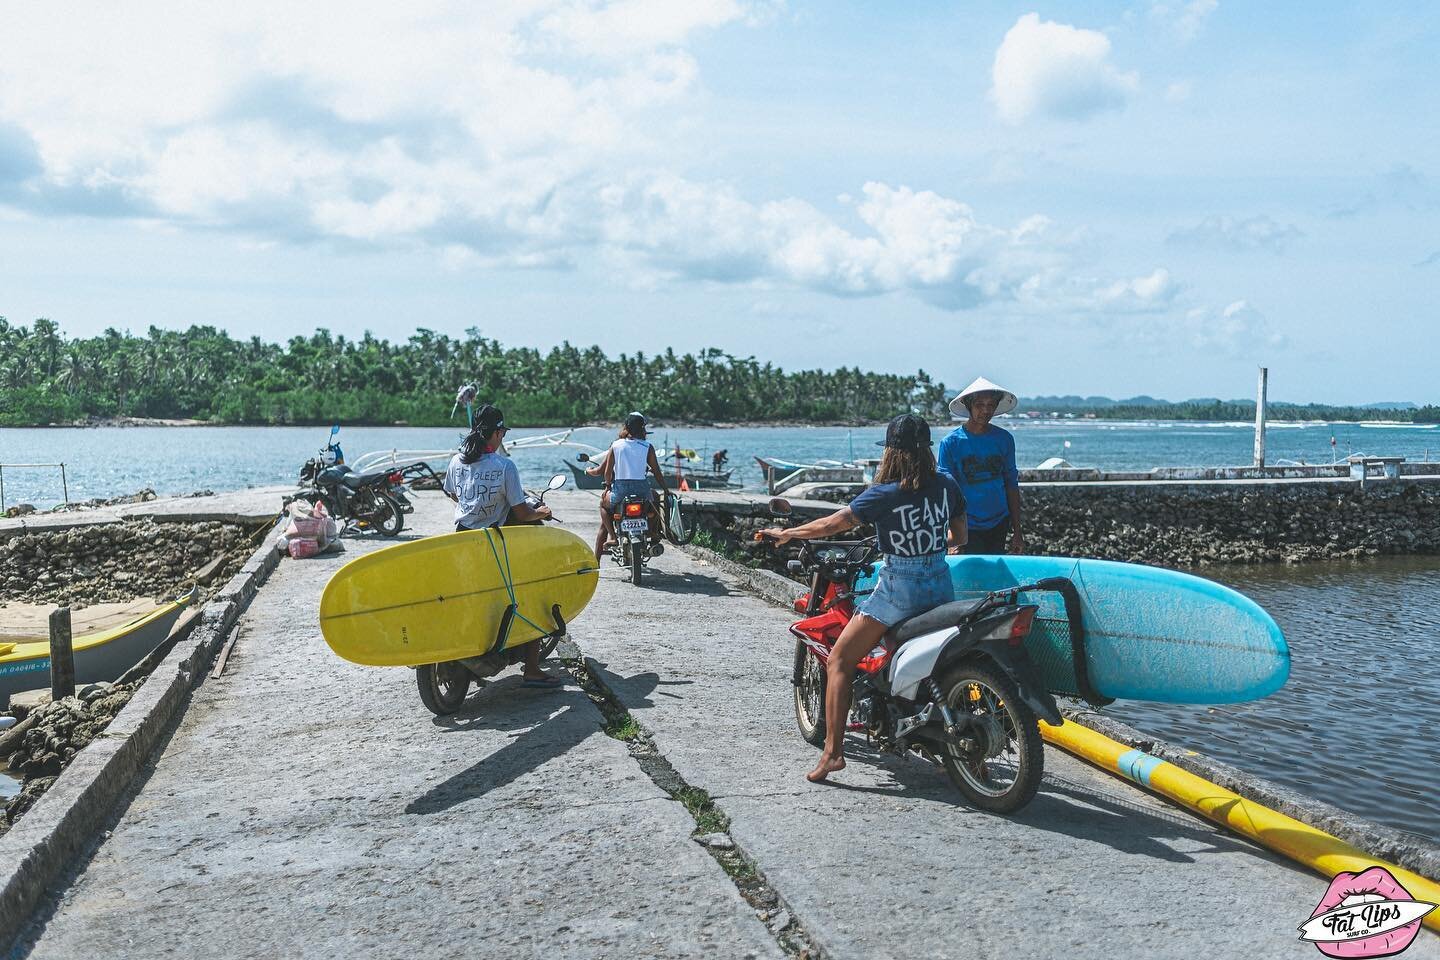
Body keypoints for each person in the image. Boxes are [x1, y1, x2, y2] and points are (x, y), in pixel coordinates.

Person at [758, 414, 966, 784]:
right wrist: (927, 541)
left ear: (890, 453)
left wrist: (788, 533)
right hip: (940, 585)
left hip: (899, 591)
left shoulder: (883, 495)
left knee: (840, 660)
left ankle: (833, 754)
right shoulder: (946, 484)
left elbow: (831, 525)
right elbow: (959, 534)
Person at [441, 404, 561, 689]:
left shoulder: (456, 461)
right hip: (492, 544)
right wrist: (542, 513)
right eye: (502, 433)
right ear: (496, 433)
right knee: (529, 594)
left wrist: (473, 507)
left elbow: (451, 493)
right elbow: (522, 514)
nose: (503, 438)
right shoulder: (504, 466)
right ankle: (532, 669)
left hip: (462, 540)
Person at [937, 377, 1024, 556]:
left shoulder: (1004, 440)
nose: (985, 410)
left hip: (999, 521)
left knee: (993, 579)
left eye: (991, 405)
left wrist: (1017, 532)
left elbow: (1011, 485)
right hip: (966, 525)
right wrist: (952, 535)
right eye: (979, 405)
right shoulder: (950, 443)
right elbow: (946, 492)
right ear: (969, 406)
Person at [603, 412, 670, 542]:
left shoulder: (616, 445)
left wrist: (607, 486)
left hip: (620, 491)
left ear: (626, 428)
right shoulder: (647, 447)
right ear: (642, 429)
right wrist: (666, 489)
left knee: (602, 505)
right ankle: (651, 531)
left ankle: (612, 536)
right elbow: (656, 472)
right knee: (655, 502)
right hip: (642, 490)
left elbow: (607, 471)